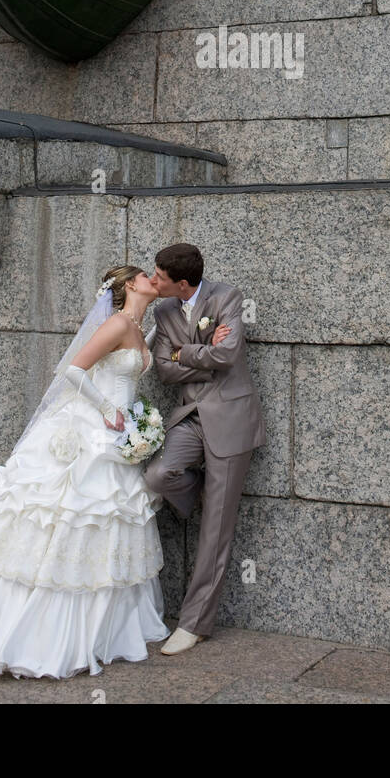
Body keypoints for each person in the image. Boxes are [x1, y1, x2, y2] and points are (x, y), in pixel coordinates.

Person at [0, 266, 170, 678]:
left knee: (107, 522)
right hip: (93, 431)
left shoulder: (139, 327)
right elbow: (74, 370)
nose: (153, 281)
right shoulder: (118, 322)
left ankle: (107, 631)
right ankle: (20, 636)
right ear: (129, 285)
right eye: (146, 276)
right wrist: (107, 411)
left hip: (118, 440)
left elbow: (132, 369)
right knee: (62, 518)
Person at [144, 243, 266, 654]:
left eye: (159, 276)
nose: (152, 280)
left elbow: (227, 354)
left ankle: (194, 623)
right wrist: (200, 352)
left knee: (216, 531)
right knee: (159, 475)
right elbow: (164, 368)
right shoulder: (162, 312)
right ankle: (205, 492)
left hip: (230, 420)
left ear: (182, 283)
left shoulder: (226, 296)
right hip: (191, 417)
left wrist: (186, 353)